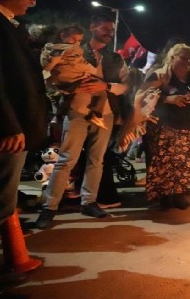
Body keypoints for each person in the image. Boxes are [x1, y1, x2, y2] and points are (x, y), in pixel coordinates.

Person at [0, 0, 48, 295]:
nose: (32, 0)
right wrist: (8, 125)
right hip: (1, 134)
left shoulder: (3, 21)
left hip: (8, 130)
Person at [36, 14, 129, 229]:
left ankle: (89, 202)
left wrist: (105, 87)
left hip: (105, 113)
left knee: (97, 160)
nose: (109, 32)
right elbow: (49, 78)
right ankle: (49, 207)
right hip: (77, 111)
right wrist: (67, 88)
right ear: (92, 27)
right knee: (66, 159)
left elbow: (126, 87)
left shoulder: (115, 58)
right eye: (105, 28)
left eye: (112, 29)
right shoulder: (72, 49)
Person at [140, 44, 190, 209]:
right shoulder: (162, 76)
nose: (188, 61)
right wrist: (167, 99)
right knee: (164, 164)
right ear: (172, 58)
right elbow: (144, 95)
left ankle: (179, 193)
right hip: (167, 126)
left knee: (186, 163)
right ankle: (164, 196)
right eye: (183, 58)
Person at [41, 24, 108, 129]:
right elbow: (81, 64)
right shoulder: (72, 50)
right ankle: (97, 115)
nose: (77, 42)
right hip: (72, 80)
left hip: (59, 82)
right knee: (102, 92)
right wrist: (94, 70)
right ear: (63, 36)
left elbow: (46, 65)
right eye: (73, 39)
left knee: (63, 98)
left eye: (79, 40)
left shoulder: (49, 48)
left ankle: (57, 116)